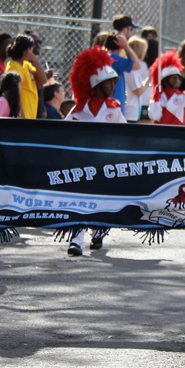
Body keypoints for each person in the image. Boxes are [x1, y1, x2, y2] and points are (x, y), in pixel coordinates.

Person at [63, 47, 126, 256]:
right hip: (81, 164)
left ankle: (98, 231)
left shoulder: (115, 108)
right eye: (109, 82)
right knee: (80, 199)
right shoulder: (77, 111)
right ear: (97, 85)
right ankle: (76, 240)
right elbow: (62, 136)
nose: (113, 86)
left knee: (101, 199)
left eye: (114, 81)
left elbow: (124, 135)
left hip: (105, 163)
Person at [148, 51, 185, 125]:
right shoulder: (157, 96)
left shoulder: (182, 96)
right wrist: (156, 101)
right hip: (160, 133)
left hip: (176, 133)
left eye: (178, 78)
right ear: (164, 81)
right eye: (173, 78)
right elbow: (154, 117)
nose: (177, 80)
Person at [5, 33, 46, 119]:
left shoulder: (26, 65)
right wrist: (21, 115)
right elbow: (14, 94)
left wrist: (35, 60)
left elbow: (43, 80)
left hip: (30, 115)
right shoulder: (14, 67)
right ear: (28, 49)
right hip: (23, 116)